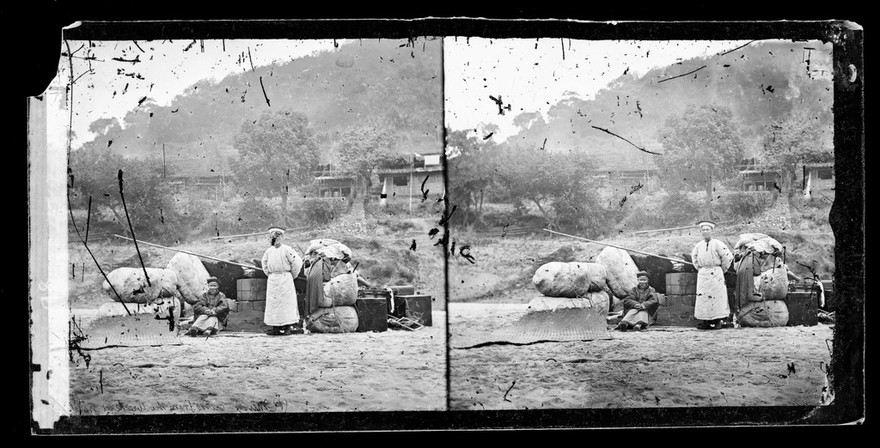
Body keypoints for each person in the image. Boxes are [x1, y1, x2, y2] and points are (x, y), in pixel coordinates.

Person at [691, 220, 734, 330]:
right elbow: (694, 259)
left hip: (716, 273)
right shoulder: (698, 246)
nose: (705, 232)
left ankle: (718, 321)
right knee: (704, 298)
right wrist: (701, 269)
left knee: (717, 297)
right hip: (703, 274)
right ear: (701, 232)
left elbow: (727, 257)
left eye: (707, 230)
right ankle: (705, 321)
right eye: (703, 230)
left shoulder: (718, 244)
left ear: (712, 231)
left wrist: (721, 270)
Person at [262, 227, 304, 336]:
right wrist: (271, 274)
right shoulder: (268, 251)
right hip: (273, 280)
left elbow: (297, 263)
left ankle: (287, 327)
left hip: (285, 279)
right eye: (273, 237)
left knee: (286, 303)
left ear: (282, 237)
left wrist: (290, 275)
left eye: (278, 236)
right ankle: (275, 327)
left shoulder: (287, 250)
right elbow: (264, 265)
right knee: (274, 304)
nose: (276, 239)